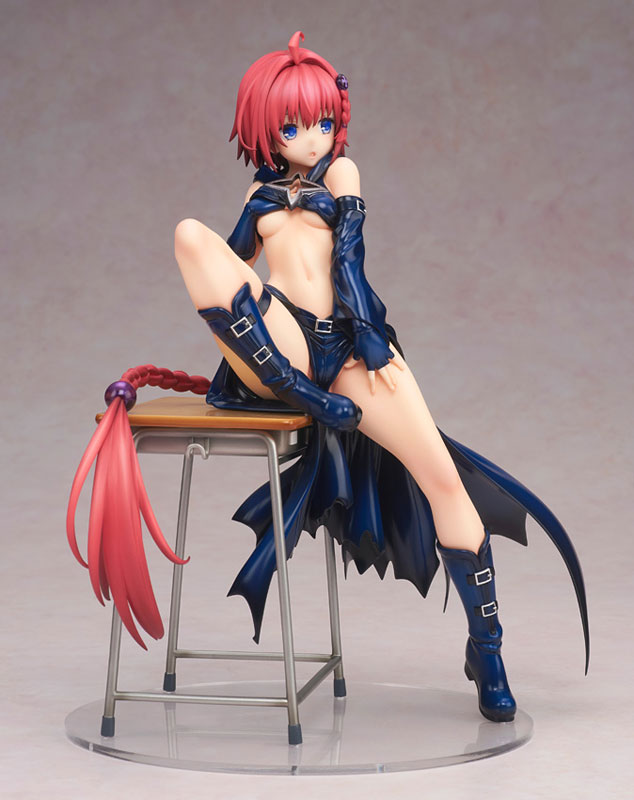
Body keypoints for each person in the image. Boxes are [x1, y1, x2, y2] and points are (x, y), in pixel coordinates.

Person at [67, 32, 588, 725]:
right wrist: (243, 253)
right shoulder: (257, 193)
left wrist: (369, 341)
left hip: (343, 343)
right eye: (291, 127)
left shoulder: (341, 174)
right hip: (279, 349)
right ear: (265, 129)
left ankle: (487, 651)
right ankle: (304, 396)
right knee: (190, 234)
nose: (309, 138)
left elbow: (349, 259)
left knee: (444, 479)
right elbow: (232, 274)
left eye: (319, 122)